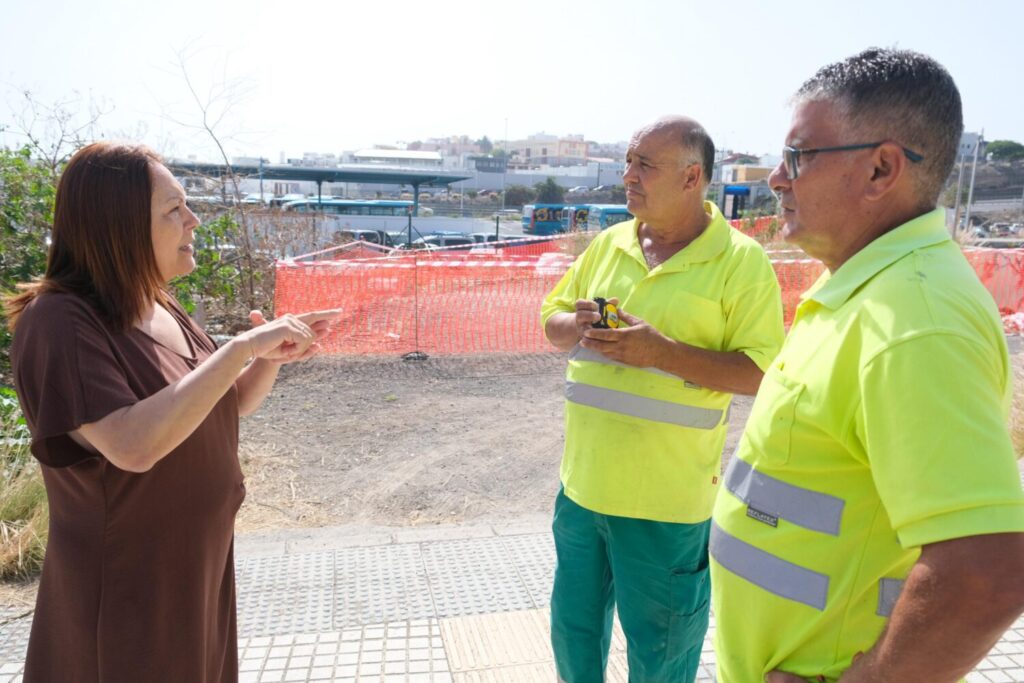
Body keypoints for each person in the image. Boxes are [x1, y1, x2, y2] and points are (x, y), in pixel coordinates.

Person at [709, 48, 1024, 683]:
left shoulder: (912, 321)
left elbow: (987, 569)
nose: (776, 177)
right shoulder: (868, 292)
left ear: (882, 168)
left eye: (799, 156)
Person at [5, 142, 339, 683]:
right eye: (173, 209)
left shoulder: (158, 302)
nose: (194, 219)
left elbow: (221, 406)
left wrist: (269, 358)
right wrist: (239, 349)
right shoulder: (60, 321)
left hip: (194, 571)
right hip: (126, 590)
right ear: (118, 226)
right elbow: (132, 445)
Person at [540, 116, 784, 682]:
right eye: (628, 161)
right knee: (573, 636)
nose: (627, 175)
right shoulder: (608, 242)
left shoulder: (741, 262)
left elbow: (761, 371)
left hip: (667, 506)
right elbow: (549, 322)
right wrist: (568, 324)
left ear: (692, 176)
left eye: (644, 164)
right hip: (580, 493)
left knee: (662, 652)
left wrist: (661, 353)